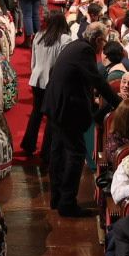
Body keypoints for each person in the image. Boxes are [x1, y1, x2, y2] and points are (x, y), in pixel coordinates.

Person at [43, 23, 119, 217]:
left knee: (58, 152)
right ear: (98, 40)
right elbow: (97, 80)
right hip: (67, 110)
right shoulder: (85, 50)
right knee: (75, 155)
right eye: (104, 40)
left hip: (56, 106)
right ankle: (67, 203)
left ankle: (57, 198)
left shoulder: (75, 45)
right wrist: (118, 103)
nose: (104, 45)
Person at [22, 11, 74, 162]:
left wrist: (35, 74)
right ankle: (47, 152)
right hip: (53, 82)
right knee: (52, 117)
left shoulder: (39, 36)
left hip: (37, 79)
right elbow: (62, 64)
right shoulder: (65, 39)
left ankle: (28, 144)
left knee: (36, 113)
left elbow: (33, 60)